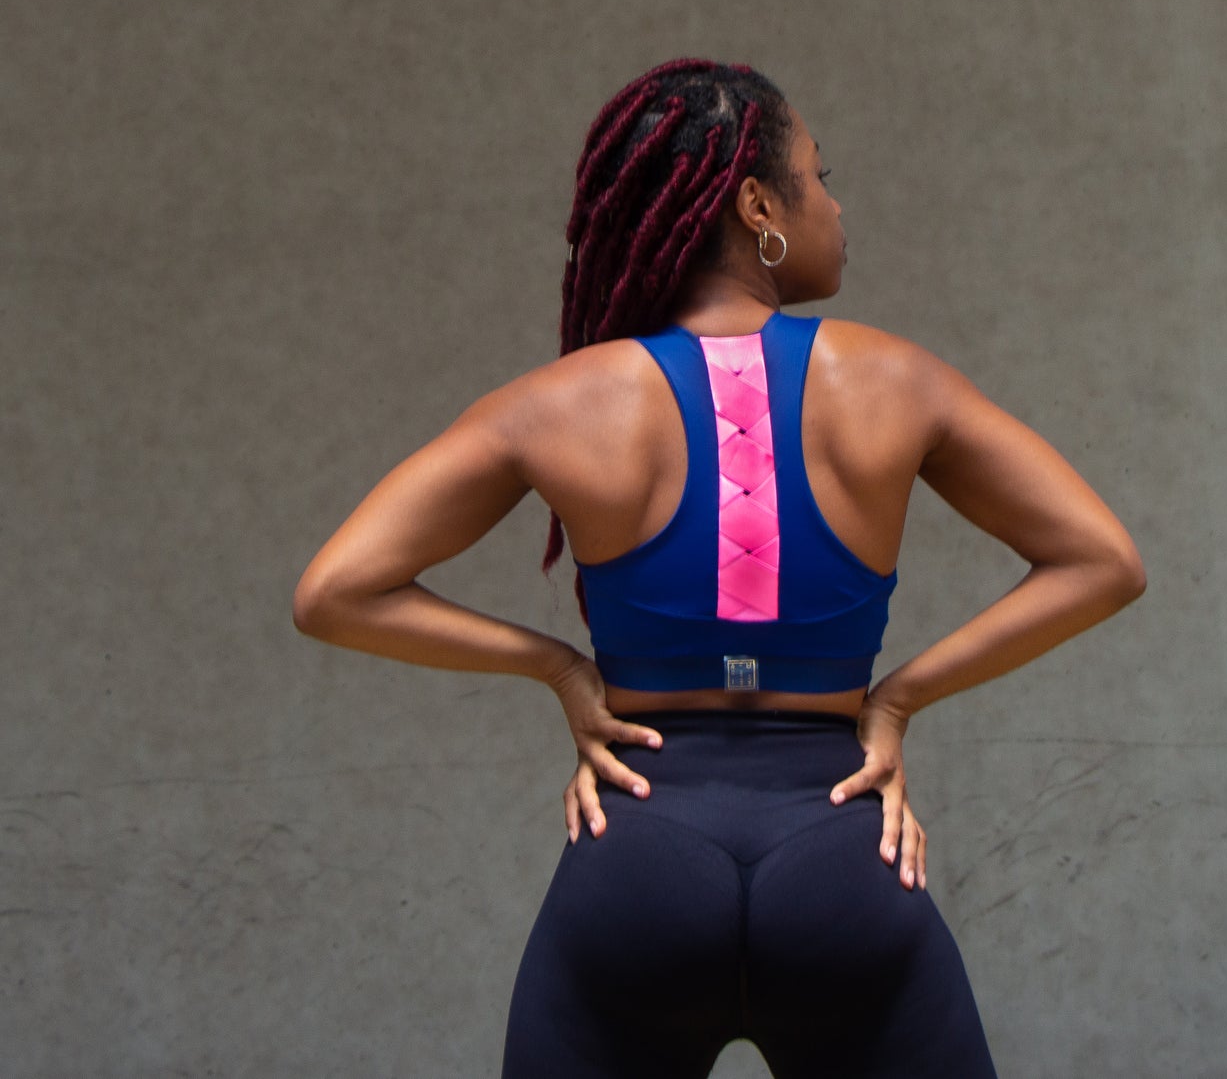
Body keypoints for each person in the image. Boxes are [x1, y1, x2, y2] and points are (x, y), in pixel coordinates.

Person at [293, 58, 1147, 1078]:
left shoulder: (559, 403)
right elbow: (1102, 560)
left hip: (640, 851)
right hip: (843, 848)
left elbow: (334, 591)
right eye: (820, 177)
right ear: (756, 205)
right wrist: (898, 699)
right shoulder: (893, 379)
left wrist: (561, 670)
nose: (834, 204)